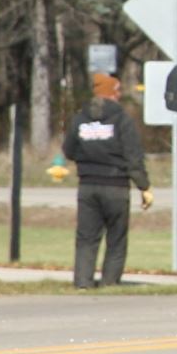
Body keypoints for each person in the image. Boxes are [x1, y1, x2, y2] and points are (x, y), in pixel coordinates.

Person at [63, 71, 152, 289]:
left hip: (87, 186)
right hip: (116, 187)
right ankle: (110, 281)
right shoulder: (122, 119)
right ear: (111, 92)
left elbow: (69, 150)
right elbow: (133, 156)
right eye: (118, 90)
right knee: (116, 238)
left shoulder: (80, 119)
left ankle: (82, 281)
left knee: (86, 238)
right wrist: (144, 186)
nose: (120, 94)